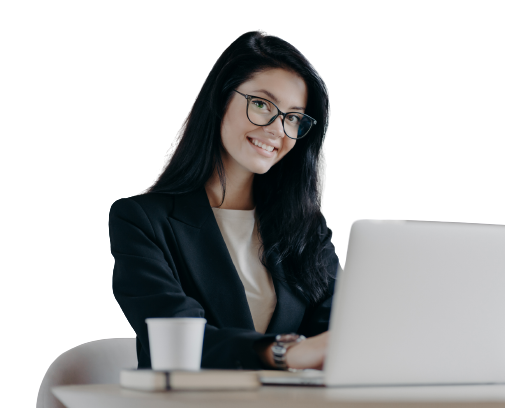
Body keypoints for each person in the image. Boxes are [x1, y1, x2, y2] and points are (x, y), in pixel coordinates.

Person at [108, 30, 338, 371]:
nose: (278, 129)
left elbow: (335, 332)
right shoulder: (141, 221)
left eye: (293, 117)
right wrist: (282, 353)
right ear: (221, 99)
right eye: (261, 104)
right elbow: (176, 340)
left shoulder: (307, 229)